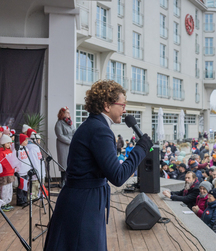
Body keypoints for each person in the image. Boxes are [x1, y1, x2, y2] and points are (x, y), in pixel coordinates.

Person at [44, 80, 152, 251]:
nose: (125, 110)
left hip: (80, 199)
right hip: (83, 204)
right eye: (122, 105)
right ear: (106, 105)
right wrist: (141, 149)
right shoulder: (100, 130)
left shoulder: (93, 125)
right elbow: (118, 176)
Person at [54, 106, 76, 188]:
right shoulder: (59, 123)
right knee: (63, 163)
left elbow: (74, 131)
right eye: (67, 112)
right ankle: (63, 181)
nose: (69, 114)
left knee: (70, 162)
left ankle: (69, 180)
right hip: (63, 145)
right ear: (62, 114)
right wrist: (70, 141)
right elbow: (60, 136)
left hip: (71, 145)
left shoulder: (70, 122)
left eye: (69, 112)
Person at [0, 135, 15, 211]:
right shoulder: (1, 152)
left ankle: (7, 202)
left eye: (10, 143)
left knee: (9, 189)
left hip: (11, 173)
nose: (9, 144)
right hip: (4, 174)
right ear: (3, 143)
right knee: (4, 190)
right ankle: (3, 204)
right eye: (8, 143)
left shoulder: (10, 151)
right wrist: (10, 166)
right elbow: (3, 163)